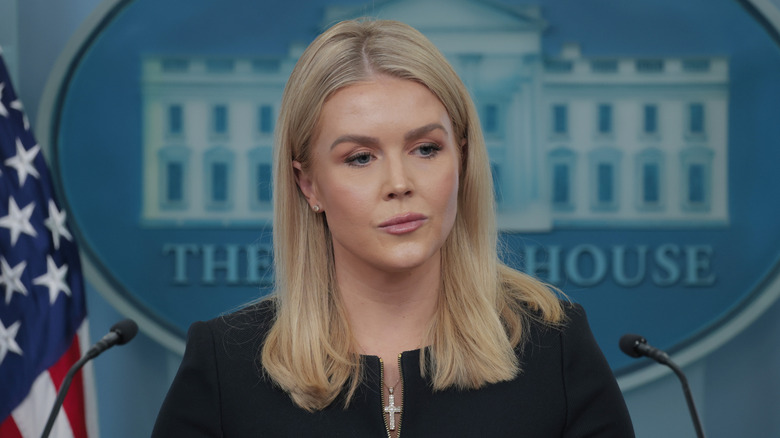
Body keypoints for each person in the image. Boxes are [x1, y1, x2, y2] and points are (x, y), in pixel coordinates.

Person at [152, 19, 635, 437]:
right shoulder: (223, 364)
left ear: (462, 159)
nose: (399, 183)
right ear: (309, 185)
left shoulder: (555, 348)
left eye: (425, 149)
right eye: (360, 158)